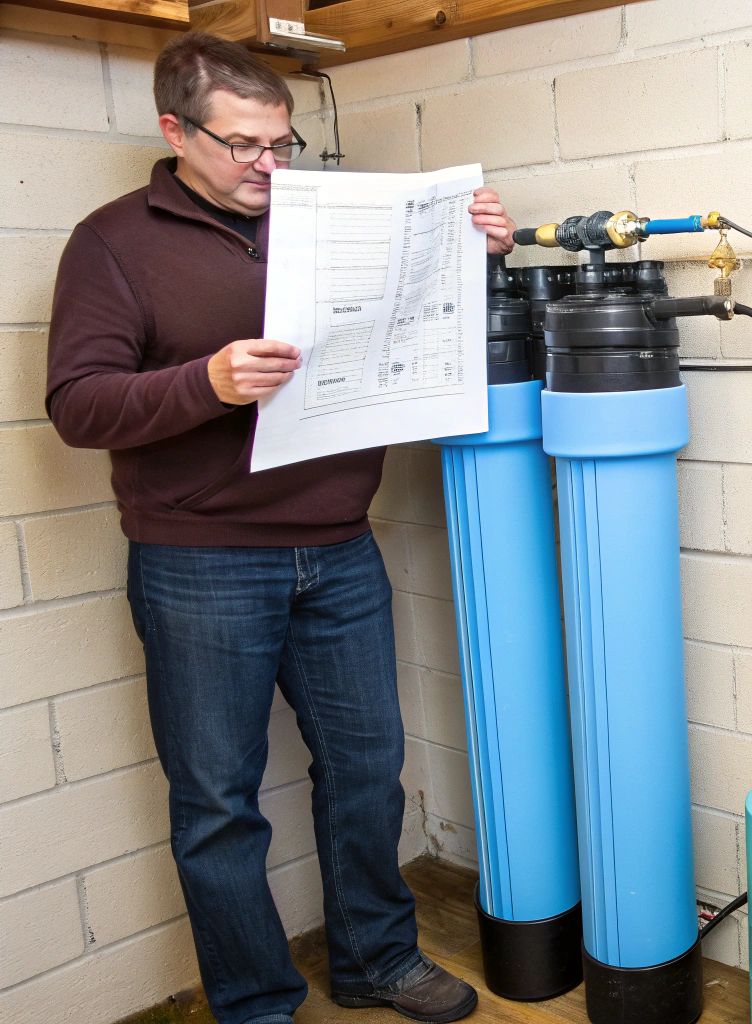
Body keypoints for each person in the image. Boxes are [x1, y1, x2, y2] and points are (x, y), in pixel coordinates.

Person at [44, 31, 516, 1024]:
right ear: (174, 130)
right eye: (242, 146)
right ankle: (256, 1004)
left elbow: (413, 323)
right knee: (218, 801)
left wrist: (472, 251)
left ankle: (375, 962)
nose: (268, 165)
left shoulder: (332, 216)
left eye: (282, 143)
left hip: (341, 547)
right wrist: (205, 383)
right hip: (199, 563)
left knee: (366, 771)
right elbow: (79, 407)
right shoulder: (111, 242)